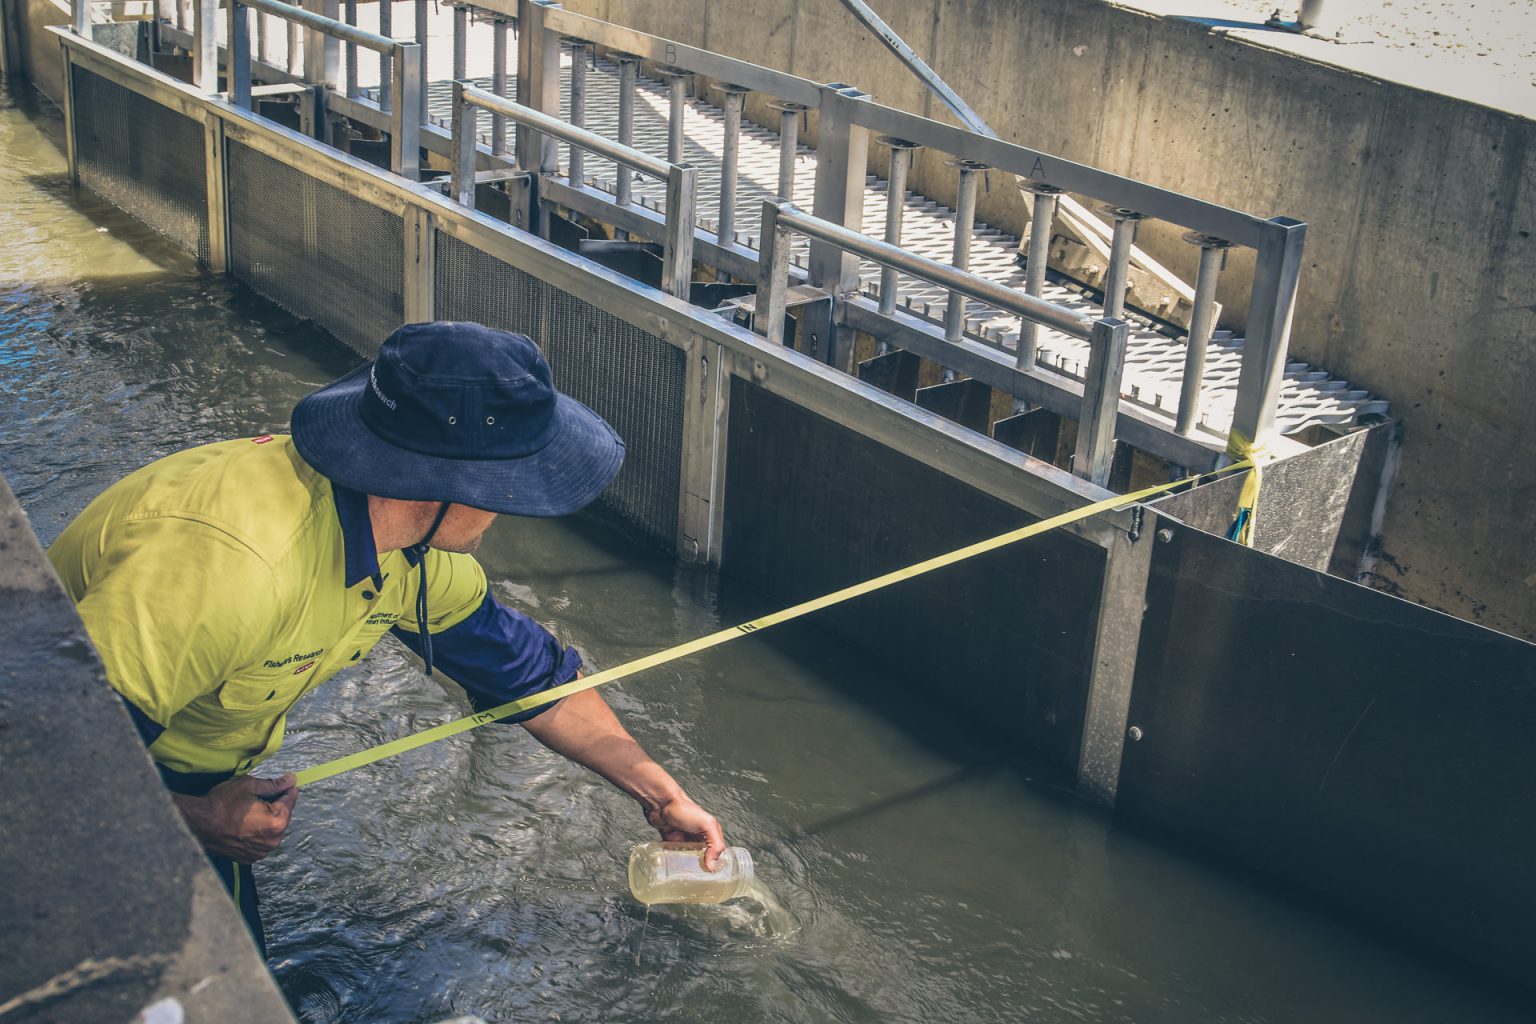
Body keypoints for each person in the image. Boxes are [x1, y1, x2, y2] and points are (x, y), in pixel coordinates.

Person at [47, 321, 726, 954]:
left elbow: (530, 678)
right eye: (505, 486)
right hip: (102, 775)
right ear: (439, 482)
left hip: (182, 770)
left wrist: (659, 794)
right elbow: (41, 760)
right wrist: (196, 818)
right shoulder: (230, 569)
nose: (508, 511)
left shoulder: (405, 547)